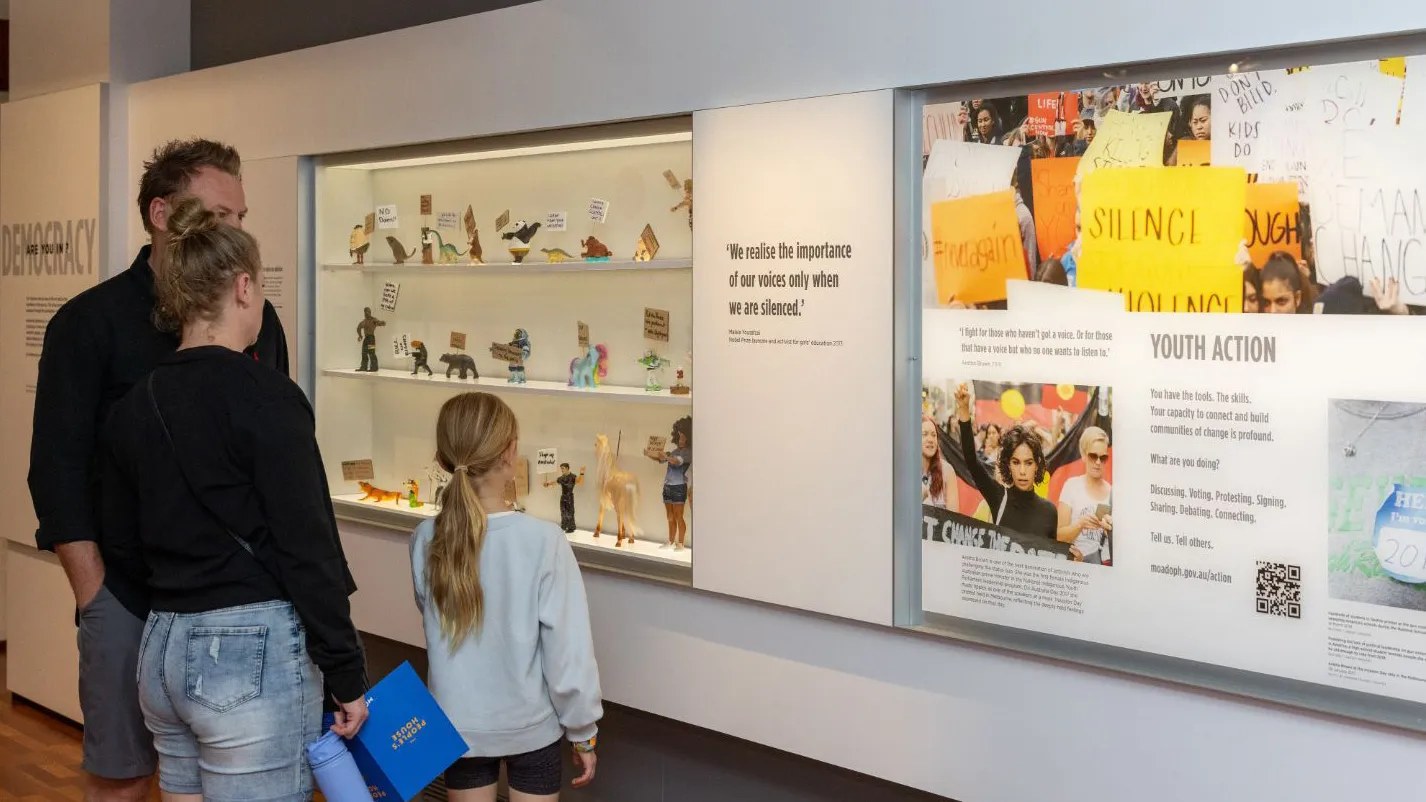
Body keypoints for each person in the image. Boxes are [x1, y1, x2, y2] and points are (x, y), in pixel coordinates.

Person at [27, 138, 289, 802]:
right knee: (122, 777)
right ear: (161, 215)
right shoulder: (87, 323)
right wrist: (96, 600)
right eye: (217, 215)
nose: (234, 232)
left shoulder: (259, 319)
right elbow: (55, 473)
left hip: (236, 601)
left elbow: (276, 463)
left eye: (240, 217)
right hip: (128, 594)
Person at [102, 198, 367, 800]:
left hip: (162, 645)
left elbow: (119, 538)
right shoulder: (268, 397)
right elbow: (309, 548)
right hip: (247, 651)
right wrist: (347, 674)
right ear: (244, 287)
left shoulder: (134, 405)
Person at [410, 393, 603, 800]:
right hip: (531, 729)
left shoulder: (425, 538)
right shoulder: (544, 540)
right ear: (510, 452)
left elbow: (432, 619)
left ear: (444, 459)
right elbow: (568, 653)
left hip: (457, 728)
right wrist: (583, 732)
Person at [954, 384, 1058, 540]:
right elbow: (971, 460)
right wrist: (963, 409)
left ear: (1037, 465)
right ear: (1008, 465)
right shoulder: (998, 497)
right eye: (1016, 462)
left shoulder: (1050, 512)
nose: (1022, 471)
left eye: (1028, 463)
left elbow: (1051, 556)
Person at [1057, 427, 1114, 564]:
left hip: (1103, 568)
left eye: (1103, 457)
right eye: (1093, 456)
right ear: (1083, 455)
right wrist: (1080, 525)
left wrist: (1110, 531)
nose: (1098, 462)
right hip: (1076, 567)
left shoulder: (1113, 492)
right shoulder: (1071, 486)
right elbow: (1058, 536)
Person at [649, 416, 693, 551]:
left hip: (679, 486)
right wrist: (650, 454)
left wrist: (665, 456)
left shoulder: (688, 453)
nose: (681, 440)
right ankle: (670, 540)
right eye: (679, 437)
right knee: (669, 516)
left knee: (679, 515)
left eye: (683, 437)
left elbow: (675, 461)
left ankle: (680, 543)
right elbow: (661, 460)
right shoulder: (674, 451)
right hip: (668, 485)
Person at [544, 463, 586, 533]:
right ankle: (564, 526)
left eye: (563, 468)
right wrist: (547, 484)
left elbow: (580, 482)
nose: (562, 470)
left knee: (570, 512)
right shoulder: (562, 478)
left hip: (569, 497)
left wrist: (582, 473)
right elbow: (554, 482)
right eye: (561, 469)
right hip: (563, 497)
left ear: (567, 468)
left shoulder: (573, 477)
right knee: (563, 512)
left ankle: (571, 527)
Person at [921, 414, 952, 508]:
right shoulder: (902, 472)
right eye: (924, 434)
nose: (930, 439)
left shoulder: (947, 471)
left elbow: (954, 519)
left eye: (934, 435)